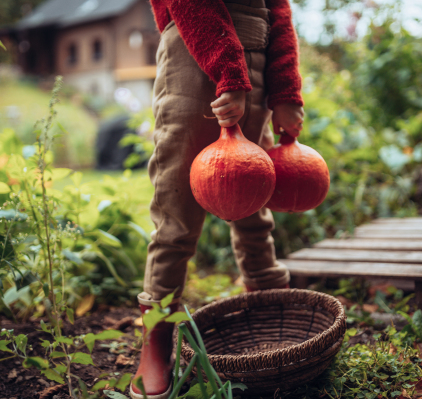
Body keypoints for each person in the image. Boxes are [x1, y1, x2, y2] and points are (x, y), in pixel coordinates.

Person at [130, 1, 304, 398]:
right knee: (177, 210)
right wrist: (228, 74)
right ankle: (156, 336)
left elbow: (278, 7)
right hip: (195, 52)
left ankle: (267, 302)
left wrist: (285, 88)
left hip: (256, 56)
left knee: (254, 194)